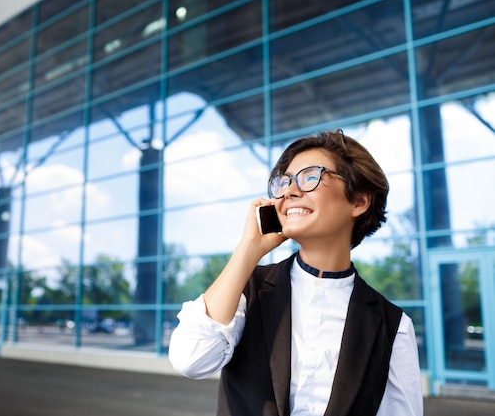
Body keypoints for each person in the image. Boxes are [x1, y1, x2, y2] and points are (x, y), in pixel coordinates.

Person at [168, 130, 423, 416]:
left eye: (310, 176)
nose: (289, 191)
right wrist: (248, 250)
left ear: (359, 202)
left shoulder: (392, 325)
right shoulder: (247, 290)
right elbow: (191, 360)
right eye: (284, 181)